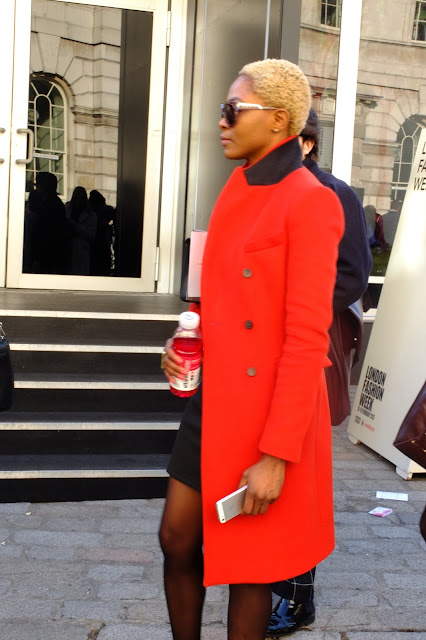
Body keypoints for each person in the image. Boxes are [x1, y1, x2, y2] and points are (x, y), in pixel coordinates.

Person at [159, 59, 344, 640]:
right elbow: (215, 296)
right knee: (177, 537)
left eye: (233, 110)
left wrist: (276, 454)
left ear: (280, 121)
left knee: (251, 568)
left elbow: (307, 336)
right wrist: (186, 337)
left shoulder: (312, 200)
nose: (222, 121)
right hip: (216, 400)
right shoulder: (237, 186)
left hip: (271, 411)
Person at [266, 109, 372, 637]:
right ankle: (265, 579)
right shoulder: (260, 190)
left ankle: (298, 595)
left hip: (310, 345)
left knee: (300, 468)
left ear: (307, 144)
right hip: (260, 351)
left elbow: (352, 276)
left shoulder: (333, 194)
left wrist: (296, 309)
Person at [65, 186, 97, 275]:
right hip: (68, 248)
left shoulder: (91, 215)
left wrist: (75, 227)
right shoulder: (66, 210)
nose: (78, 201)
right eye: (76, 198)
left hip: (82, 250)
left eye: (80, 198)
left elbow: (91, 235)